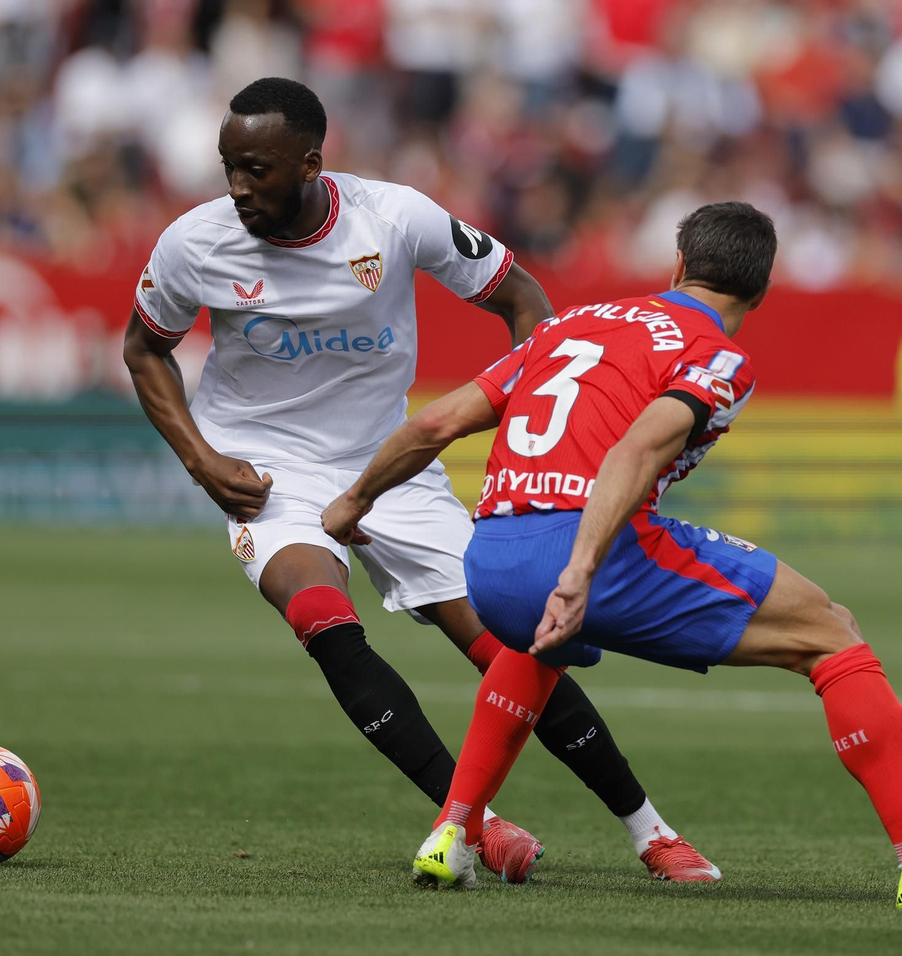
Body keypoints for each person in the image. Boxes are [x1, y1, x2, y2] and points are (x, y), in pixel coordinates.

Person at [321, 201, 902, 907]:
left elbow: (440, 420)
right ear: (760, 292)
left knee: (537, 643)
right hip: (578, 543)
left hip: (491, 553)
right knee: (830, 631)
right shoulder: (717, 353)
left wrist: (355, 501)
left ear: (680, 264)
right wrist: (579, 572)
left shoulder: (572, 321)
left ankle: (453, 832)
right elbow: (637, 448)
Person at [123, 77, 719, 883]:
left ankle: (651, 832)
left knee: (516, 641)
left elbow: (524, 301)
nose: (236, 187)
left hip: (390, 465)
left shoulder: (394, 218)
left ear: (310, 162)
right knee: (323, 621)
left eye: (255, 169)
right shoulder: (193, 243)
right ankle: (471, 823)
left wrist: (533, 418)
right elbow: (144, 348)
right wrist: (201, 460)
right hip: (267, 473)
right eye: (227, 165)